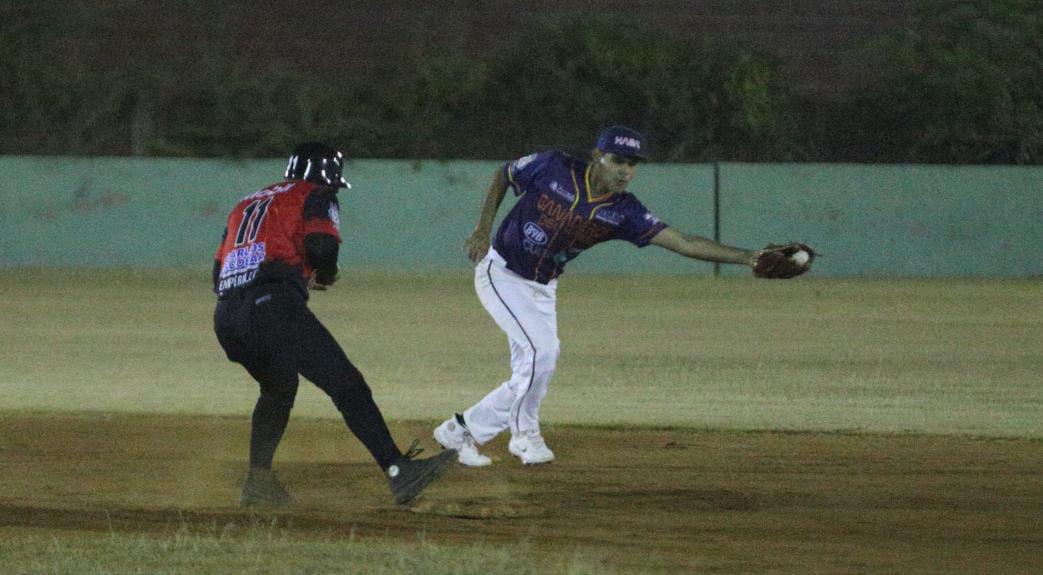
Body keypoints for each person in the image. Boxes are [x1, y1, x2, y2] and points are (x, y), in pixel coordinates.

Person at [433, 126, 810, 466]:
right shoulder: (553, 167)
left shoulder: (624, 211)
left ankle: (459, 431)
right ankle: (524, 436)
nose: (625, 170)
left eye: (632, 164)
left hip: (543, 287)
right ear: (598, 156)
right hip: (501, 271)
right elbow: (503, 174)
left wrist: (748, 258)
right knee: (542, 354)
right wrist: (482, 229)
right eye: (618, 160)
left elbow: (683, 242)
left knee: (532, 371)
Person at [213, 142, 455, 505]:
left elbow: (218, 273)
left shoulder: (246, 203)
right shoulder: (316, 195)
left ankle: (259, 480)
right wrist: (325, 273)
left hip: (228, 318)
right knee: (346, 384)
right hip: (272, 306)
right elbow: (323, 247)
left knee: (279, 387)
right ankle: (398, 471)